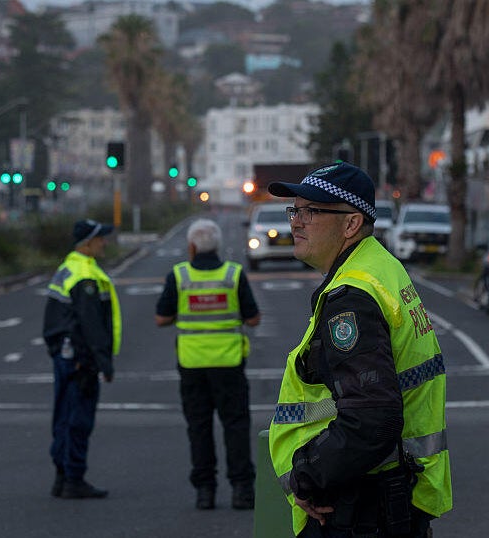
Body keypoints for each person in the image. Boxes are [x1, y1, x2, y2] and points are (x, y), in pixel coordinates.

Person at [266, 163, 452, 537]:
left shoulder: (352, 297)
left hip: (354, 506)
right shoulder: (380, 268)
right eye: (295, 210)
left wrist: (307, 477)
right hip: (390, 495)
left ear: (351, 224)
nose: (296, 222)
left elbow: (372, 419)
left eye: (310, 211)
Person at [155, 218, 261, 510]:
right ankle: (242, 490)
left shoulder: (179, 276)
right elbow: (253, 319)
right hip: (229, 363)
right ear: (218, 245)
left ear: (191, 246)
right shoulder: (233, 274)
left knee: (199, 427)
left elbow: (161, 318)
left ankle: (205, 491)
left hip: (192, 366)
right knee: (236, 426)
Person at [42, 219, 121, 499]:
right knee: (78, 419)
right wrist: (103, 363)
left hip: (65, 356)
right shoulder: (84, 276)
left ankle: (61, 476)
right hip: (80, 359)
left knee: (63, 417)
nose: (104, 242)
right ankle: (73, 478)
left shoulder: (68, 268)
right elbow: (92, 327)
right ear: (87, 243)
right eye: (100, 238)